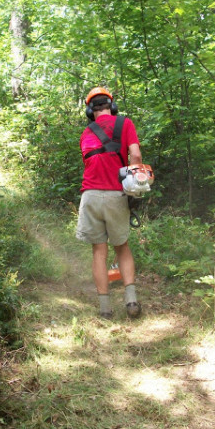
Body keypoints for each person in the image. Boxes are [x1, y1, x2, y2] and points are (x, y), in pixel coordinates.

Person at [75, 87, 142, 319]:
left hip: (91, 195)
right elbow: (135, 156)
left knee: (98, 252)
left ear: (89, 111)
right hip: (116, 195)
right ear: (112, 107)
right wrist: (135, 184)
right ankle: (131, 301)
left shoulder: (86, 133)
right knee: (122, 247)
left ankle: (105, 309)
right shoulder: (125, 124)